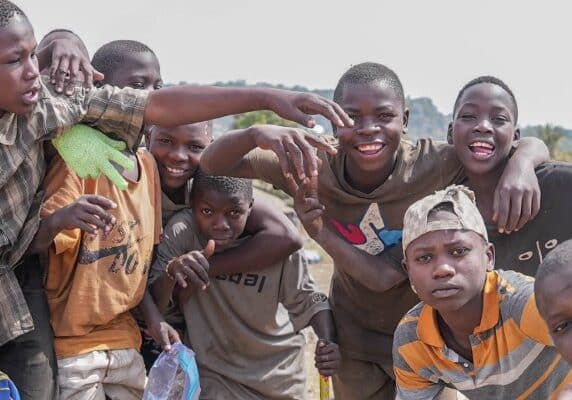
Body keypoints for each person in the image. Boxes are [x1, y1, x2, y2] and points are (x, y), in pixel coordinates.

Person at [0, 1, 349, 397]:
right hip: (68, 333)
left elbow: (158, 108)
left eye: (32, 57)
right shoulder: (78, 161)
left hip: (112, 335)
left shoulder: (59, 118)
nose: (33, 71)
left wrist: (267, 100)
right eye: (17, 60)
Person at [200, 62, 548, 398]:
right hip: (354, 341)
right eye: (351, 117)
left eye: (384, 116)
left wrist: (521, 164)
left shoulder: (435, 166)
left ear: (405, 120)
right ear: (333, 121)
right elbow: (213, 163)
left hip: (426, 342)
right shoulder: (310, 164)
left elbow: (524, 145)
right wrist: (255, 133)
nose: (368, 128)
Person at [89, 39, 304, 368]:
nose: (178, 156)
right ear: (148, 137)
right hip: (121, 323)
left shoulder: (210, 184)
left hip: (190, 328)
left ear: (211, 147)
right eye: (166, 142)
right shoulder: (127, 178)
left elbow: (285, 236)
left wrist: (201, 270)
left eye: (194, 146)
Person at [150, 171, 340, 399]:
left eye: (234, 213)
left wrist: (328, 342)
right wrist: (172, 271)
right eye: (207, 211)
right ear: (192, 204)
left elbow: (311, 299)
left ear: (250, 207)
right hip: (214, 377)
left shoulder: (278, 247)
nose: (220, 224)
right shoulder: (184, 233)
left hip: (279, 379)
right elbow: (154, 304)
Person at [393, 184, 572, 399]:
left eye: (458, 251)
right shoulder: (412, 338)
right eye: (424, 258)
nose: (443, 269)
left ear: (488, 257)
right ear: (408, 270)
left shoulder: (522, 303)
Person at [448, 75, 572, 276]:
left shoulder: (561, 186)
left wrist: (522, 164)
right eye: (469, 116)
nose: (483, 126)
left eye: (499, 119)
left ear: (515, 138)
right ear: (450, 133)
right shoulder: (444, 212)